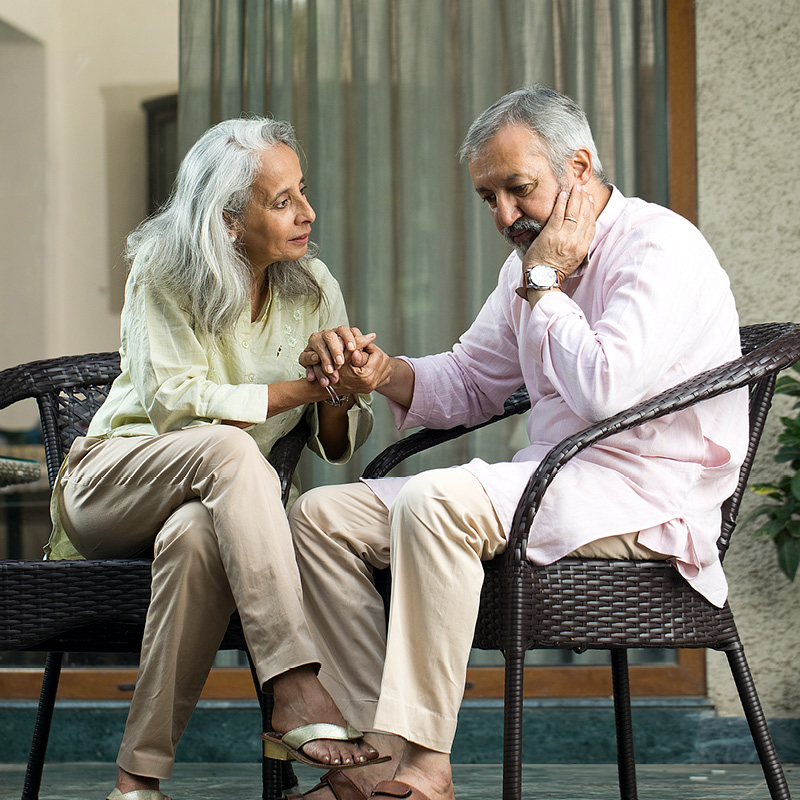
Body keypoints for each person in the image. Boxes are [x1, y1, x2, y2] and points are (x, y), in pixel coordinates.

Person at [287, 85, 750, 800]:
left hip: (647, 493)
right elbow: (472, 378)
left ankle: (424, 767)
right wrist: (384, 374)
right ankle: (371, 764)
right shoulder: (526, 268)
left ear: (579, 168)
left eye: (517, 189)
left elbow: (604, 392)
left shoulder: (660, 248)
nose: (504, 215)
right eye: (487, 199)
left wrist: (542, 283)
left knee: (438, 501)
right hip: (555, 483)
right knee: (320, 518)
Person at [44, 117, 388, 800]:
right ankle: (293, 684)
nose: (307, 212)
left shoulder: (312, 284)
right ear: (229, 219)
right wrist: (303, 384)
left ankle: (135, 781)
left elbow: (331, 444)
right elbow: (176, 402)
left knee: (198, 534)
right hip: (112, 482)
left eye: (303, 192)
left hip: (222, 506)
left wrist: (344, 390)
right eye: (282, 200)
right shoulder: (163, 269)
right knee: (229, 448)